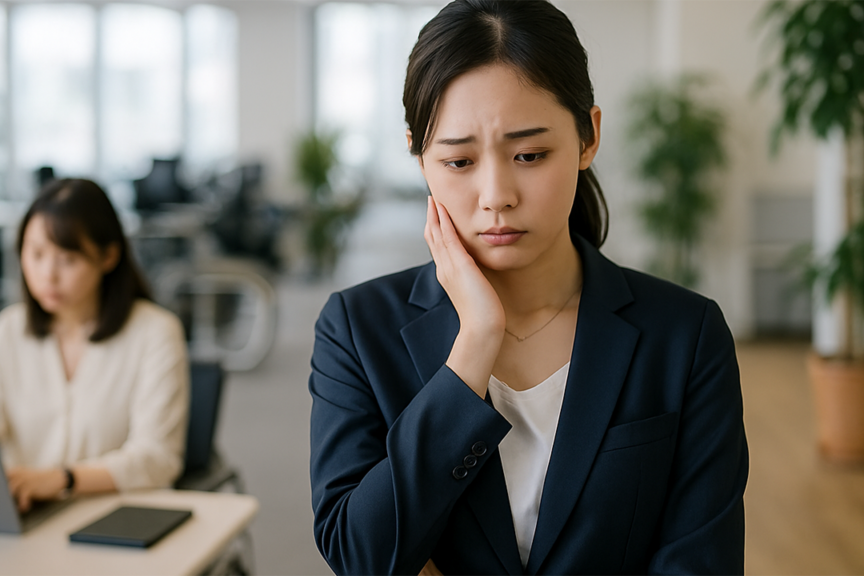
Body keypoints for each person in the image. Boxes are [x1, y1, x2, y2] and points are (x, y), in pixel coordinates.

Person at [308, 1, 748, 575]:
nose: (496, 195)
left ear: (588, 137)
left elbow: (700, 563)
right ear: (419, 155)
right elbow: (359, 557)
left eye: (530, 155)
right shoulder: (356, 329)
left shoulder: (685, 336)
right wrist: (473, 349)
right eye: (460, 161)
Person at [0, 178, 189, 512]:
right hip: (29, 514)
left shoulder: (155, 332)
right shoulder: (10, 330)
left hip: (118, 517)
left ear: (108, 256)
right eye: (37, 254)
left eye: (68, 259)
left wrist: (63, 479)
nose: (48, 275)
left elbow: (156, 458)